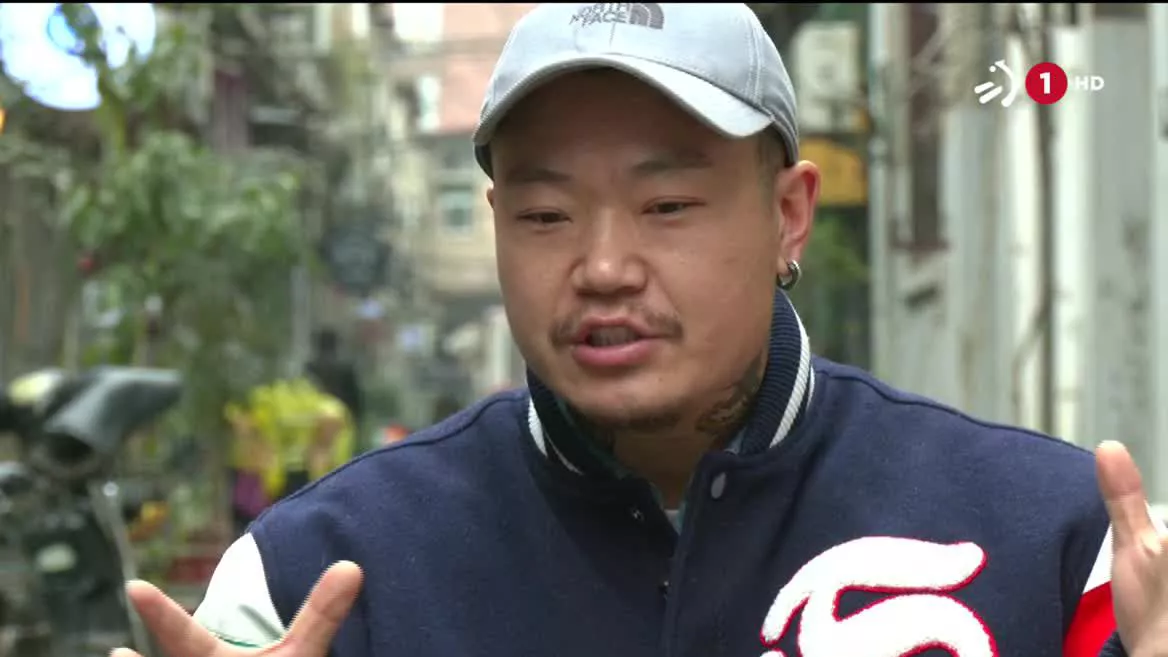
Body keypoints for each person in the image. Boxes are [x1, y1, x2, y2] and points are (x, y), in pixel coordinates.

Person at [114, 4, 1168, 657]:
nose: (604, 267)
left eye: (667, 206)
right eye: (545, 215)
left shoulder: (1053, 547)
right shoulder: (316, 580)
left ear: (788, 215)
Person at [303, 328, 364, 430]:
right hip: (341, 417)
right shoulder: (346, 368)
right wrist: (356, 421)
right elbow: (355, 399)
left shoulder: (310, 367)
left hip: (316, 417)